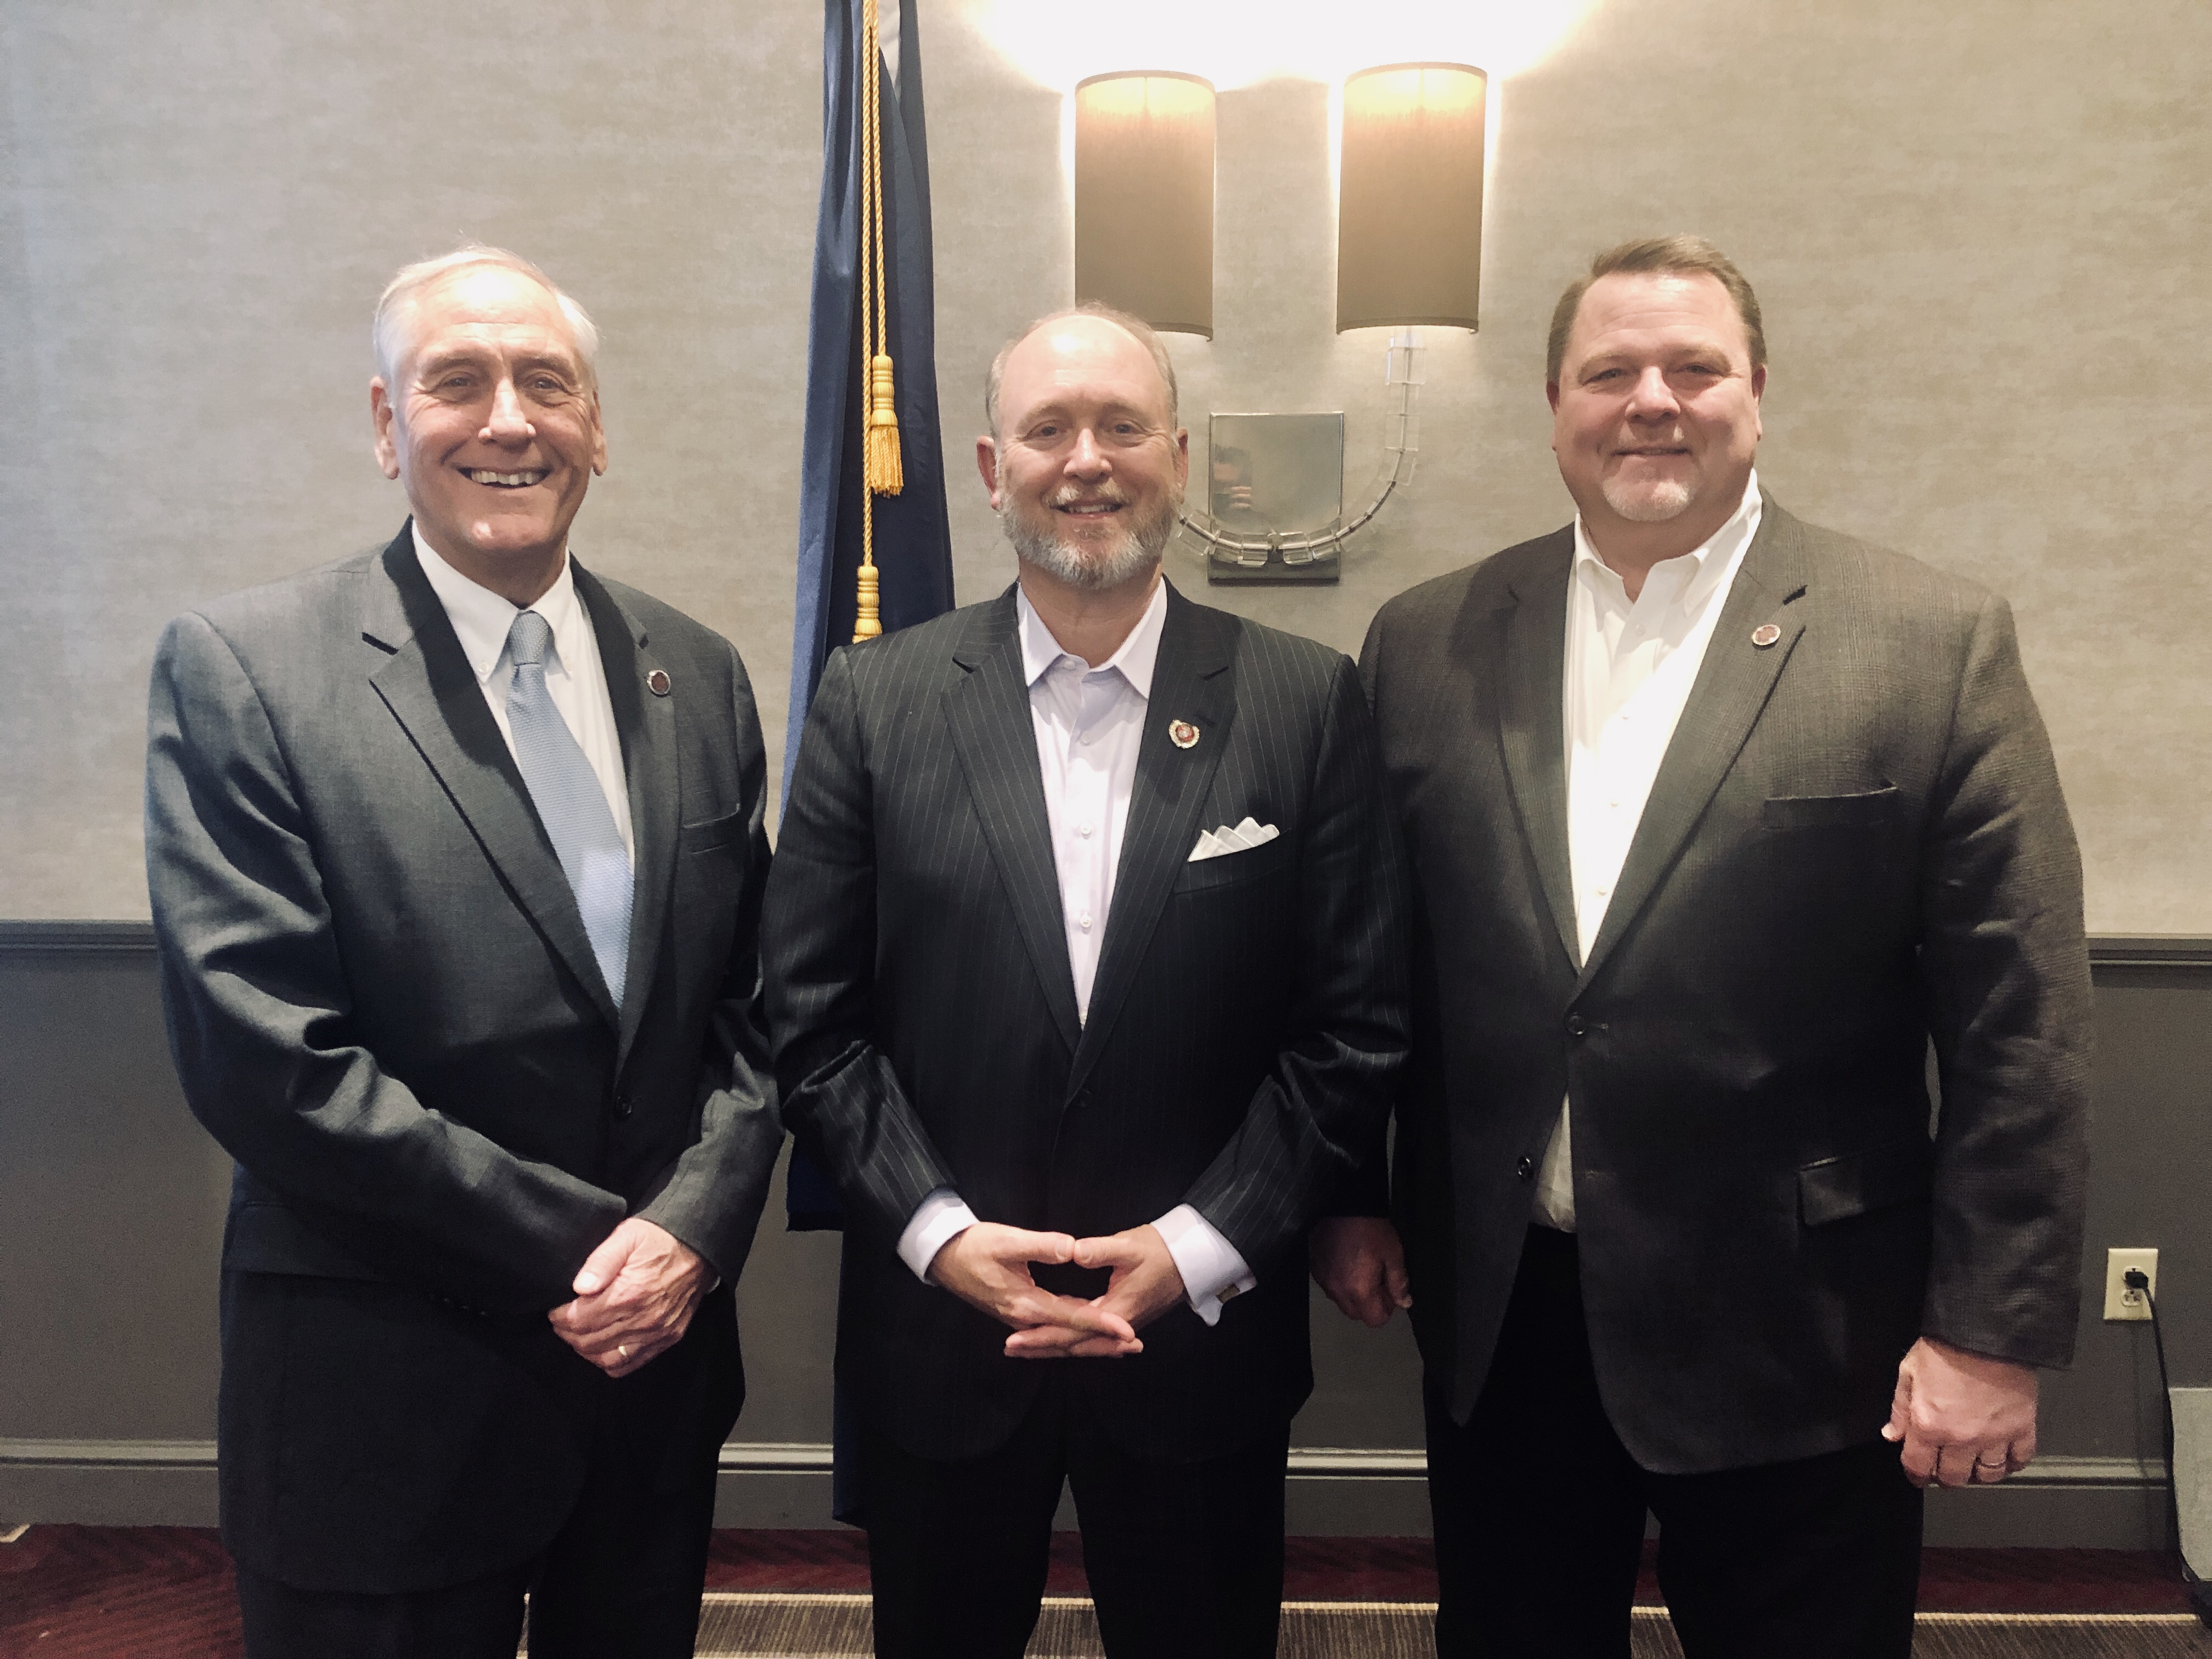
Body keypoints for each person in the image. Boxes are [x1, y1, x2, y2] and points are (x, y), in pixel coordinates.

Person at [1317, 235, 2091, 1657]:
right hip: (1508, 1317)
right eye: (1610, 371)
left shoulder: (1928, 643)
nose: (1652, 400)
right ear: (1556, 401)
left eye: (1694, 368)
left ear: (1759, 394)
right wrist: (1351, 1193)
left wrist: (1991, 1332)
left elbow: (2019, 1026)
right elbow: (1379, 960)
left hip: (1805, 1328)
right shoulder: (1426, 639)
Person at [144, 246, 782, 1658]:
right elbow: (269, 1064)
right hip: (385, 1404)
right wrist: (599, 1250)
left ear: (596, 430)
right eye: (457, 383)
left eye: (547, 383)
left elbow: (749, 1012)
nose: (509, 420)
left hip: (649, 1399)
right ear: (387, 426)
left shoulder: (700, 672)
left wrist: (691, 1233)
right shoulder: (248, 671)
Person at [763, 303, 1409, 1659]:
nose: (1088, 459)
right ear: (994, 470)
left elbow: (1350, 1029)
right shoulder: (872, 704)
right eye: (1049, 429)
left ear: (1177, 456)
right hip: (945, 1335)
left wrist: (1194, 1249)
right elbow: (815, 1030)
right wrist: (943, 1237)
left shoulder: (1306, 702)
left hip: (1201, 1341)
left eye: (1123, 426)